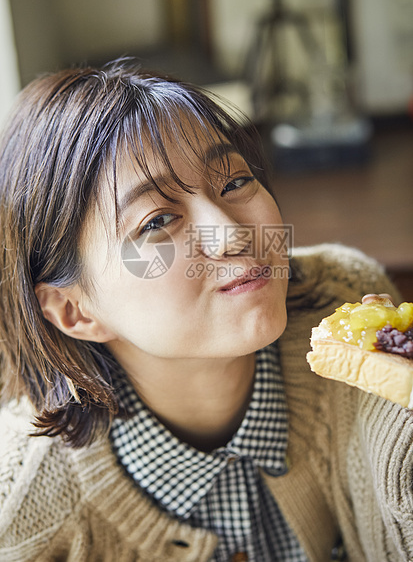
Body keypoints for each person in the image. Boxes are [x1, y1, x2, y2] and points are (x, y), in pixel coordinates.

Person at [0, 59, 411, 562]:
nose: (234, 235)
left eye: (234, 182)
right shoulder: (23, 515)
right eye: (157, 221)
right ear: (73, 310)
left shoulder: (350, 308)